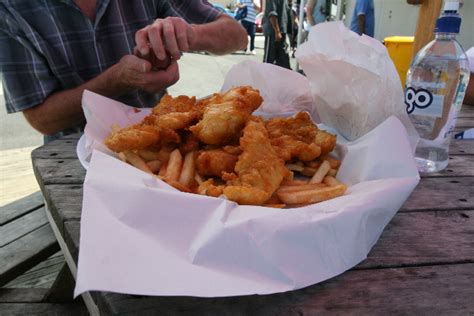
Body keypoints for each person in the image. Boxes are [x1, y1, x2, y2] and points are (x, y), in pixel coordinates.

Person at [0, 1, 247, 142]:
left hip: (163, 145)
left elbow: (237, 36)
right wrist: (118, 79)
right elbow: (42, 119)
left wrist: (189, 35)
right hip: (72, 162)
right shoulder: (12, 9)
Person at [263, 0, 291, 69]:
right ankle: (264, 78)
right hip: (273, 33)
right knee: (269, 61)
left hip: (282, 32)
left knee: (284, 63)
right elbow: (272, 14)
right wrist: (277, 31)